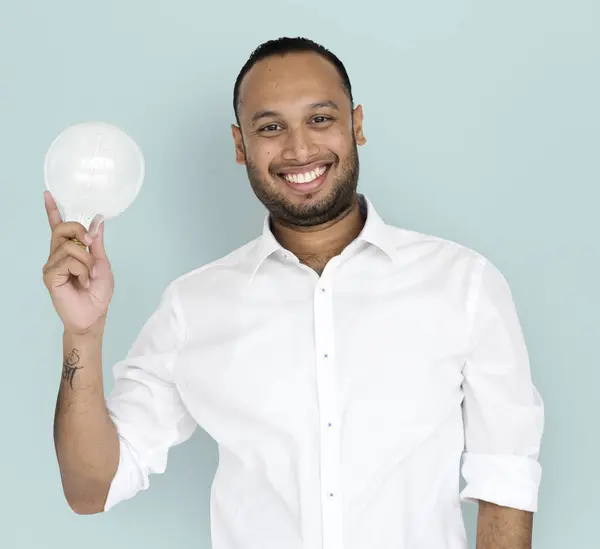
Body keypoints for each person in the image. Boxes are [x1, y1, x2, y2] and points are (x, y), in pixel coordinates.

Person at [43, 37, 544, 549]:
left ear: (358, 125)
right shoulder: (192, 308)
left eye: (321, 119)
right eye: (271, 127)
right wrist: (82, 333)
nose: (299, 149)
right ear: (241, 146)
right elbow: (90, 487)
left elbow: (505, 474)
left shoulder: (463, 283)